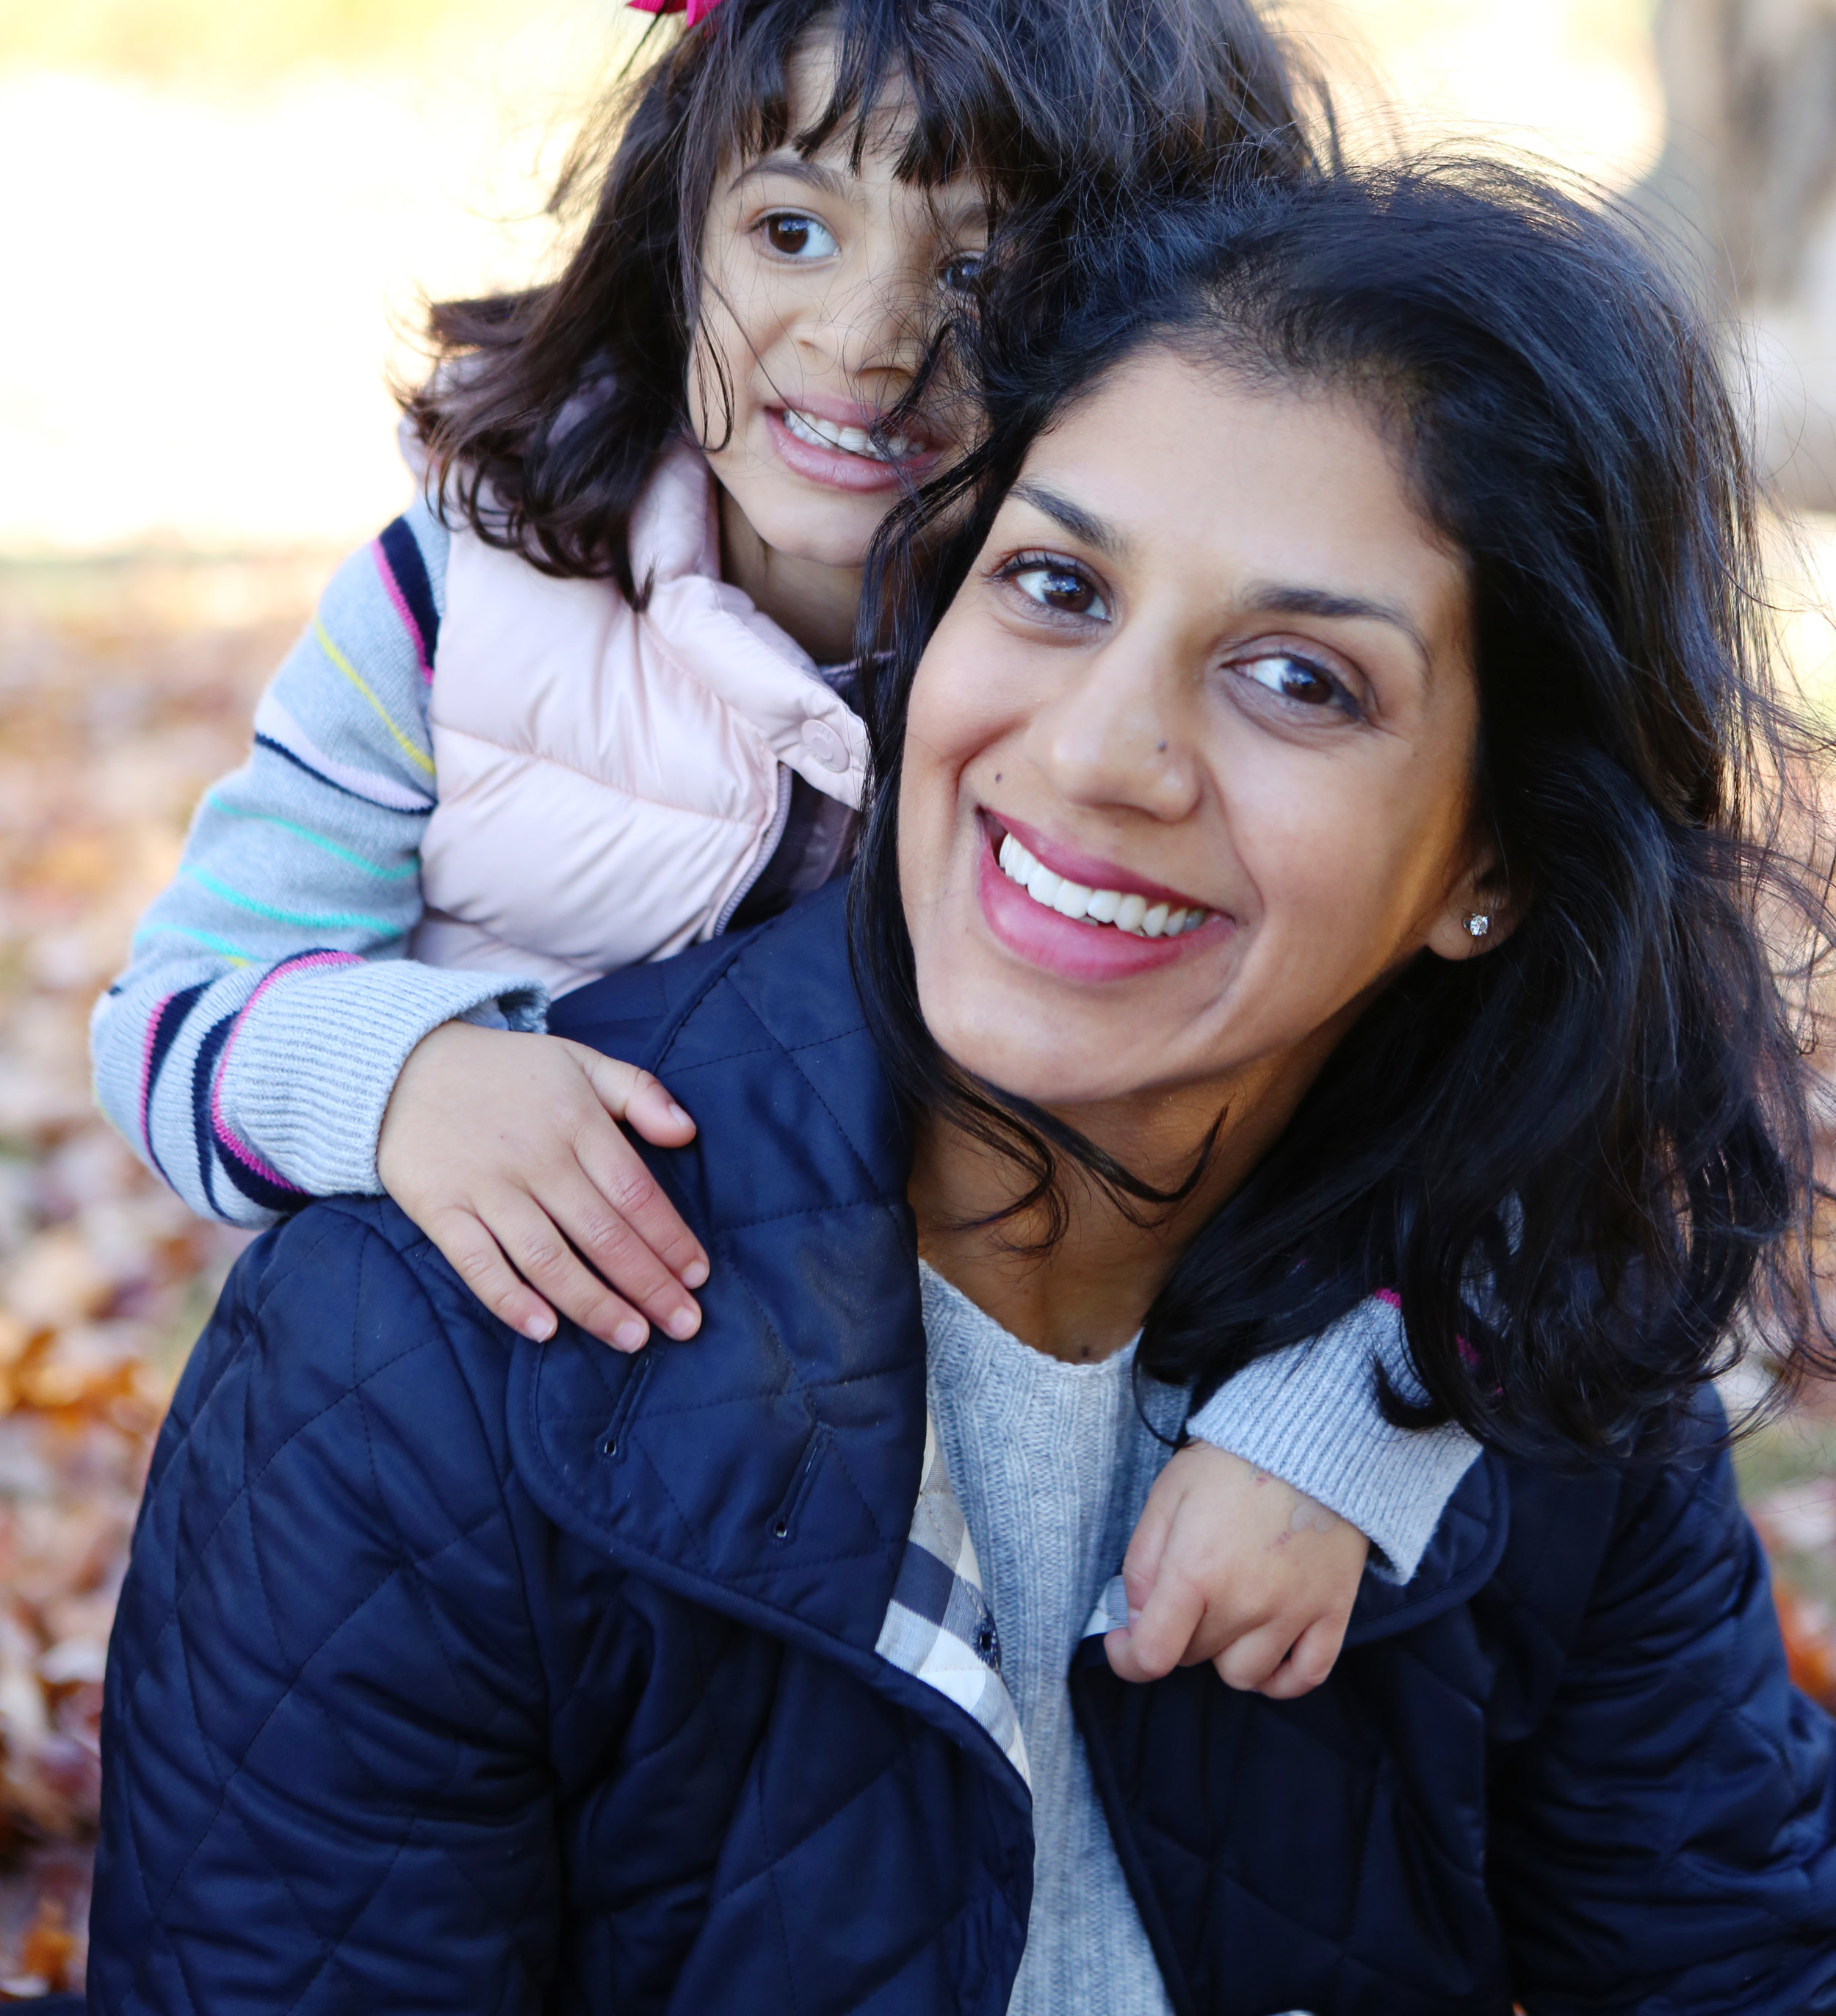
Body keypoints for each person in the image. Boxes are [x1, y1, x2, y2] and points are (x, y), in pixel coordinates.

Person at [90, 162, 1836, 2014]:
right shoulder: (424, 1347)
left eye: (1299, 680)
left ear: (1491, 863)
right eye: (1057, 583)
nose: (1097, 753)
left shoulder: (1524, 1362)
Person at [88, 0, 1479, 1697]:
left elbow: (1537, 1133)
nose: (865, 341)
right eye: (793, 229)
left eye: (985, 277)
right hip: (503, 1456)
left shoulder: (1087, 707)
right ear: (683, 227)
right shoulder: (461, 604)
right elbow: (173, 1008)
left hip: (966, 1473)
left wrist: (1349, 1419)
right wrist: (400, 1074)